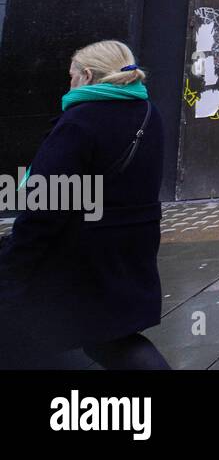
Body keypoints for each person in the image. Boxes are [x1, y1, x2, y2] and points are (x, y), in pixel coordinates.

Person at [0, 40, 170, 369]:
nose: (69, 83)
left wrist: (14, 263)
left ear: (87, 75)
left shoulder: (80, 122)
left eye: (71, 76)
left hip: (80, 250)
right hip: (132, 243)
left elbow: (45, 206)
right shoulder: (149, 113)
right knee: (109, 337)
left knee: (26, 331)